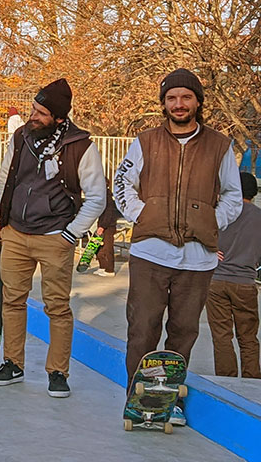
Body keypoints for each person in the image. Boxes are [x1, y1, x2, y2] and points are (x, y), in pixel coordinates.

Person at [113, 68, 242, 425]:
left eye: (186, 97)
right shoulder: (145, 141)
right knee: (142, 328)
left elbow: (233, 194)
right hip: (150, 253)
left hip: (197, 258)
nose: (179, 104)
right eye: (171, 98)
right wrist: (144, 214)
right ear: (164, 103)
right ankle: (137, 398)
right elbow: (122, 182)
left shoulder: (220, 146)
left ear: (198, 102)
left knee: (184, 331)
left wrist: (212, 221)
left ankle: (168, 397)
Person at [0, 78, 106, 397]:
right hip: (15, 233)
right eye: (33, 108)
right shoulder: (20, 137)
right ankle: (12, 363)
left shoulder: (80, 145)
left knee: (57, 306)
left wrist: (71, 234)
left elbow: (97, 197)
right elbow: (5, 179)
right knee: (12, 300)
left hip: (56, 236)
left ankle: (57, 372)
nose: (33, 115)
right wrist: (2, 222)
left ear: (58, 117)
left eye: (41, 112)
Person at [205, 172, 260, 378]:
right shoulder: (258, 217)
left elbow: (199, 236)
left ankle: (226, 379)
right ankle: (252, 380)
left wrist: (210, 251)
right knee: (248, 337)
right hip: (245, 282)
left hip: (216, 281)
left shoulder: (219, 214)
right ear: (254, 193)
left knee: (221, 336)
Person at [93, 185, 119, 277]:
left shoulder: (107, 198)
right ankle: (102, 266)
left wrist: (102, 226)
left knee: (108, 248)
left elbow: (108, 214)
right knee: (99, 247)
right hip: (102, 224)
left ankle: (110, 270)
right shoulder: (102, 197)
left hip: (108, 226)